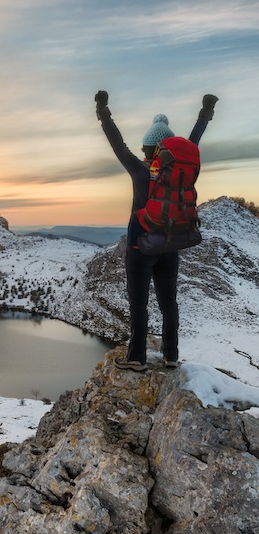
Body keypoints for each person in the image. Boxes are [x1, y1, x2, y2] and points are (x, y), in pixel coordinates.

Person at [95, 91, 218, 371]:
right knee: (169, 303)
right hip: (170, 246)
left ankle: (136, 357)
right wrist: (206, 111)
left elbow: (117, 143)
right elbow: (193, 140)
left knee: (139, 304)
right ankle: (171, 355)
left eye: (144, 148)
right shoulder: (180, 171)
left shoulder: (140, 171)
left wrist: (103, 111)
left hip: (140, 247)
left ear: (149, 149)